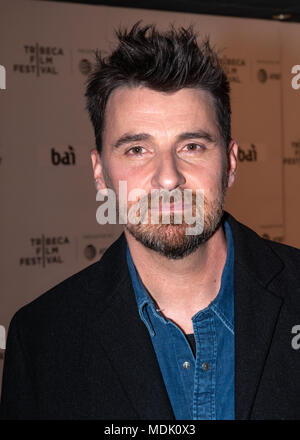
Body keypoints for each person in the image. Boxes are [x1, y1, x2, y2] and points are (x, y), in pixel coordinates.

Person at [1, 22, 300, 421]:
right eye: (137, 149)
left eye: (192, 146)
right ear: (99, 172)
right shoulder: (41, 337)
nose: (168, 177)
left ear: (229, 163)